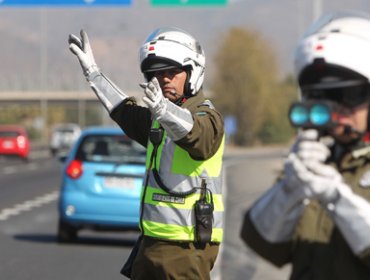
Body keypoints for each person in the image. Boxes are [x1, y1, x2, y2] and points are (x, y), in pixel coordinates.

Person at [68, 27, 225, 279]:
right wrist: (94, 74)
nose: (164, 79)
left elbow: (198, 137)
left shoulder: (207, 116)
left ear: (193, 72)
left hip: (186, 250)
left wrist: (164, 111)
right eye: (157, 74)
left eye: (172, 72)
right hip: (150, 245)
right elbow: (124, 110)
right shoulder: (157, 119)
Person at [240, 11, 370, 280]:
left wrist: (338, 197)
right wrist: (290, 188)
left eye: (350, 95)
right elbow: (263, 242)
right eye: (324, 97)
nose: (337, 110)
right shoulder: (321, 159)